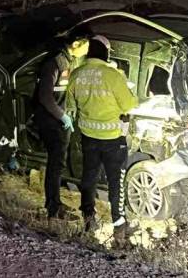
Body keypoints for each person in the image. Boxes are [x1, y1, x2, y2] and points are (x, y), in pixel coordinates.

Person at [64, 35, 138, 243]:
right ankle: (119, 228)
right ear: (105, 52)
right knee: (116, 182)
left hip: (88, 137)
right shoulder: (112, 75)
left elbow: (71, 104)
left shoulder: (76, 74)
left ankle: (89, 219)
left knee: (89, 178)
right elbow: (128, 105)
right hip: (113, 138)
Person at [32, 35, 88, 220]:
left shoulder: (68, 61)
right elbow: (45, 96)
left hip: (57, 119)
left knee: (58, 164)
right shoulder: (55, 62)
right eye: (85, 45)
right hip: (51, 121)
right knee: (56, 165)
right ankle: (53, 208)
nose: (86, 50)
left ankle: (54, 204)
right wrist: (62, 116)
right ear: (76, 43)